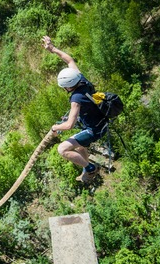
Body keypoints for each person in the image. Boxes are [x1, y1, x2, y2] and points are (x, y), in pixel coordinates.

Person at [42, 35, 107, 182]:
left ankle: (91, 168)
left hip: (94, 129)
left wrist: (54, 128)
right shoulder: (81, 78)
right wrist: (52, 48)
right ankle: (86, 168)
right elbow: (69, 60)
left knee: (63, 149)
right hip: (100, 121)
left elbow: (69, 125)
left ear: (68, 86)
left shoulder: (76, 99)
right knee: (78, 146)